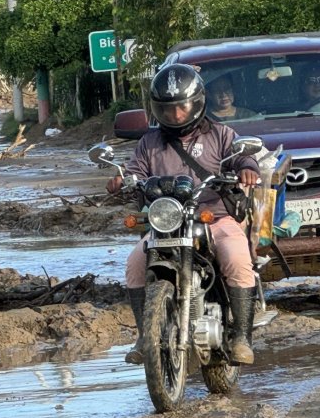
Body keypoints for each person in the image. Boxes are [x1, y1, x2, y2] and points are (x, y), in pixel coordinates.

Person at [106, 63, 261, 366]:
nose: (175, 116)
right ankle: (144, 337)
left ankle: (241, 337)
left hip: (213, 218)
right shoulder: (149, 142)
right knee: (136, 263)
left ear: (198, 103)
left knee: (236, 257)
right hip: (167, 223)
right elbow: (134, 171)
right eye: (167, 109)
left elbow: (242, 155)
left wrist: (247, 168)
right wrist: (120, 179)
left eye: (181, 108)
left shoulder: (220, 134)